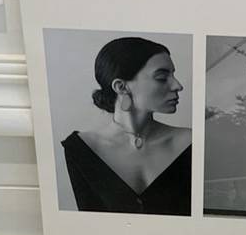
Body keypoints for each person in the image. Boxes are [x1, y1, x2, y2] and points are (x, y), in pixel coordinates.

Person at [61, 37, 190, 215]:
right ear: (121, 87)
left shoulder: (191, 142)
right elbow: (90, 222)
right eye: (162, 78)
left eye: (173, 75)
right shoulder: (82, 148)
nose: (178, 85)